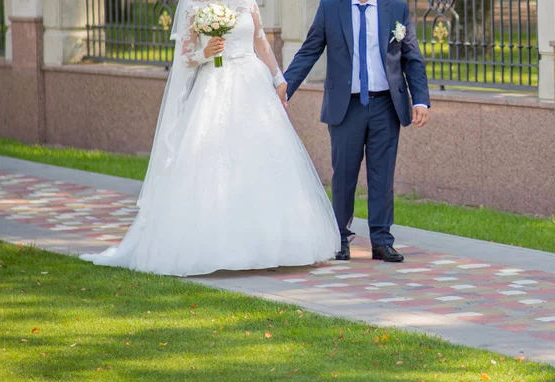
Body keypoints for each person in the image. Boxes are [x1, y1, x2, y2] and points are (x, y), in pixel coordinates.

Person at [80, 0, 340, 276]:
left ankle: (275, 245)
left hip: (253, 85)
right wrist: (205, 53)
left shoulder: (248, 1)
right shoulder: (194, 5)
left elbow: (260, 41)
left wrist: (278, 77)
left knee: (263, 162)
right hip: (215, 84)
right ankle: (218, 247)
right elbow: (183, 57)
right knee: (214, 163)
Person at [281, 0, 431, 263]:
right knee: (344, 175)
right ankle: (339, 237)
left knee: (382, 175)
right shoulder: (331, 7)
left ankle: (382, 240)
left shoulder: (396, 8)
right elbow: (309, 51)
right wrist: (285, 89)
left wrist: (420, 99)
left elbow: (411, 56)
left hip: (386, 104)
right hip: (346, 106)